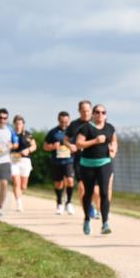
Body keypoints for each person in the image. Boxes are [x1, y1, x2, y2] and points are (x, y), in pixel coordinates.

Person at [74, 104, 117, 235]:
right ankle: (87, 219)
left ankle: (105, 223)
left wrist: (113, 151)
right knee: (88, 193)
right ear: (93, 114)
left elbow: (114, 141)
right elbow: (78, 144)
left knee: (104, 192)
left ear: (106, 115)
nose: (100, 115)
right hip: (87, 164)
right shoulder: (86, 128)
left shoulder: (110, 128)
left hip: (104, 163)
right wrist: (95, 141)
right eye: (97, 112)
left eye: (103, 112)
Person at [67, 100, 99, 220]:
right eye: (83, 111)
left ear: (91, 110)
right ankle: (88, 210)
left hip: (95, 159)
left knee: (96, 191)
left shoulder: (97, 122)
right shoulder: (74, 124)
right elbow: (66, 139)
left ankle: (99, 208)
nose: (86, 113)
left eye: (88, 110)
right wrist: (70, 145)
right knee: (82, 188)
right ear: (79, 111)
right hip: (79, 160)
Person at [43, 111, 77, 214]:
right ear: (58, 120)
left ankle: (69, 203)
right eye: (62, 121)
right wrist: (53, 146)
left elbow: (78, 145)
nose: (64, 124)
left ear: (69, 120)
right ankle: (59, 203)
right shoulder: (53, 132)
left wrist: (73, 148)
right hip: (56, 162)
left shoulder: (73, 132)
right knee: (59, 183)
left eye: (66, 121)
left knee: (70, 180)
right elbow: (45, 146)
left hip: (69, 161)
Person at [10, 115, 37, 212]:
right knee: (16, 182)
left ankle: (19, 196)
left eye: (20, 124)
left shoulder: (28, 134)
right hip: (14, 159)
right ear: (14, 124)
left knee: (23, 186)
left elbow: (34, 146)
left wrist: (28, 150)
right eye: (16, 124)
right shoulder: (11, 134)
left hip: (25, 160)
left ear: (23, 124)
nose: (18, 126)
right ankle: (19, 204)